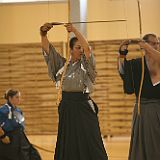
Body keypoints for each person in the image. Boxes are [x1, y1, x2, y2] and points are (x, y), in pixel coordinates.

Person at [40, 23, 108, 160]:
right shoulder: (62, 66)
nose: (82, 50)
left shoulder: (87, 66)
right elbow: (49, 52)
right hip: (67, 107)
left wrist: (75, 31)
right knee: (68, 142)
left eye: (82, 48)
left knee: (91, 140)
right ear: (71, 50)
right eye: (78, 48)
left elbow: (88, 49)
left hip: (83, 106)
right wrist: (43, 34)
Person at [118, 33, 160, 160]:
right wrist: (122, 53)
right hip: (142, 109)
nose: (157, 45)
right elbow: (123, 71)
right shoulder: (137, 64)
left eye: (158, 43)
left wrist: (145, 45)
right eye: (154, 43)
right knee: (143, 143)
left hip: (157, 108)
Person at [0, 89, 41, 160]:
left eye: (19, 97)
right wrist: (3, 136)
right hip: (9, 139)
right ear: (10, 98)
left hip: (20, 138)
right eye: (17, 97)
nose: (19, 99)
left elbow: (20, 125)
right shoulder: (3, 110)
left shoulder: (18, 110)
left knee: (34, 156)